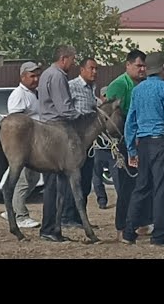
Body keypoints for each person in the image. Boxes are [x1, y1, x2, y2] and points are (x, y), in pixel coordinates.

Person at [122, 53, 164, 246]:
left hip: (142, 143)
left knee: (141, 187)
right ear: (163, 68)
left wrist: (131, 150)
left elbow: (130, 122)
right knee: (162, 189)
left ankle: (128, 232)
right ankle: (159, 236)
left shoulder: (137, 90)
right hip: (161, 141)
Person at [106, 49, 152, 241]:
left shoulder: (146, 84)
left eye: (144, 66)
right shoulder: (118, 85)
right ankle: (122, 226)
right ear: (128, 65)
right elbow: (114, 117)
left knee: (144, 183)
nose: (142, 69)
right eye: (138, 65)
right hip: (125, 141)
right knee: (126, 186)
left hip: (145, 140)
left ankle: (141, 222)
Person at [38, 44, 80, 242]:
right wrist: (82, 116)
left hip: (47, 128)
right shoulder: (58, 76)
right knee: (56, 183)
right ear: (64, 58)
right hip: (56, 129)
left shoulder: (47, 73)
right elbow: (64, 109)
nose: (73, 64)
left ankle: (52, 227)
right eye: (73, 59)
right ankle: (50, 228)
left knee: (53, 183)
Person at [0, 61, 42, 229]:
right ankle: (20, 215)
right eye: (32, 76)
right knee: (25, 179)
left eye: (37, 75)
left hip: (35, 142)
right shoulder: (19, 95)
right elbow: (17, 123)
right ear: (22, 76)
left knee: (33, 178)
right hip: (25, 145)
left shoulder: (34, 93)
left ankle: (10, 209)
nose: (36, 79)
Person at [61, 57, 99, 228]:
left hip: (89, 142)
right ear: (82, 69)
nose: (94, 72)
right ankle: (67, 216)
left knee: (85, 181)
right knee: (74, 179)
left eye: (96, 69)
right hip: (75, 141)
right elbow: (66, 110)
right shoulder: (72, 86)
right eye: (91, 68)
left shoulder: (92, 88)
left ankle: (80, 217)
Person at [91, 86, 119, 209]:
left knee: (116, 176)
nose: (107, 98)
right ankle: (102, 200)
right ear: (102, 96)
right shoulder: (96, 110)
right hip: (97, 148)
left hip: (111, 149)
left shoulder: (113, 112)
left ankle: (121, 199)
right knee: (97, 177)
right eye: (105, 96)